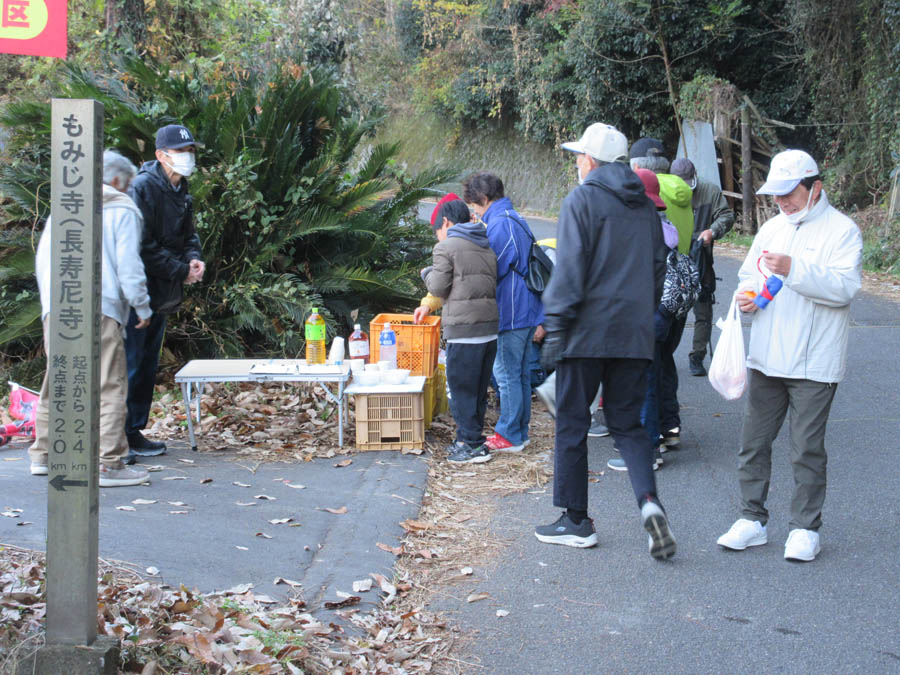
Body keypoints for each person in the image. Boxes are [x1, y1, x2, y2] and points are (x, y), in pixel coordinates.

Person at [534, 123, 675, 560]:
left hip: (586, 334)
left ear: (591, 161)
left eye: (579, 156)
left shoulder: (581, 200)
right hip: (634, 335)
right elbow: (658, 271)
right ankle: (649, 502)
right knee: (628, 425)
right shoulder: (645, 208)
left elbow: (569, 270)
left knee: (572, 423)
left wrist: (555, 325)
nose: (577, 162)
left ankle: (576, 520)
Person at [716, 149, 862, 562]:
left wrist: (793, 269)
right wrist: (748, 295)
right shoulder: (772, 228)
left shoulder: (843, 231)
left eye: (789, 192)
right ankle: (751, 519)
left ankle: (805, 528)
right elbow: (750, 274)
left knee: (806, 449)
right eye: (776, 194)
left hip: (816, 362)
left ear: (815, 188)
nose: (782, 201)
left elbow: (845, 288)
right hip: (767, 355)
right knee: (753, 443)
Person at [29, 150, 152, 487]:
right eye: (129, 184)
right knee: (109, 383)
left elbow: (42, 260)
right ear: (117, 181)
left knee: (58, 378)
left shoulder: (65, 206)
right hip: (101, 306)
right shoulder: (122, 209)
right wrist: (142, 306)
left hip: (57, 306)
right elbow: (129, 266)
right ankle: (109, 463)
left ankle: (43, 454)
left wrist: (49, 306)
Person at [125, 124, 205, 460]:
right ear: (160, 155)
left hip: (161, 293)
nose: (188, 157)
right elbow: (141, 246)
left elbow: (189, 235)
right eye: (180, 151)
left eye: (190, 151)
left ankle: (133, 431)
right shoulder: (142, 187)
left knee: (146, 364)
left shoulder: (181, 189)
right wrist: (180, 270)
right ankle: (116, 437)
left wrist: (194, 260)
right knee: (129, 364)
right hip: (135, 293)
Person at [462, 172, 543, 453]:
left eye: (474, 205)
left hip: (512, 310)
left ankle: (508, 433)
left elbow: (491, 267)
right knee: (519, 373)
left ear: (484, 199)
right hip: (527, 308)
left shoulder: (499, 223)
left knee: (506, 373)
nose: (474, 211)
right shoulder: (514, 217)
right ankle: (519, 432)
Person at [606, 168, 678, 474]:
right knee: (657, 374)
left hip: (644, 314)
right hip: (665, 312)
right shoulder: (665, 226)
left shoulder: (640, 230)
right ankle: (663, 434)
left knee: (642, 382)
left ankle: (646, 451)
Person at [420, 199, 498, 464]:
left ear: (445, 222)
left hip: (464, 330)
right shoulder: (484, 244)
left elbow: (438, 287)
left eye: (437, 230)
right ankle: (470, 439)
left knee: (461, 390)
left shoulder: (446, 247)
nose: (438, 236)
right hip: (489, 329)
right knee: (477, 391)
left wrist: (427, 273)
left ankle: (471, 446)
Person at [629, 138, 694, 451]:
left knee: (647, 374)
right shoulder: (675, 208)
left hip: (652, 305)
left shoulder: (643, 228)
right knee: (664, 364)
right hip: (675, 302)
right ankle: (670, 426)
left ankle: (650, 442)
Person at [670, 157, 735, 376]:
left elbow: (726, 215)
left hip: (702, 260)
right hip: (673, 262)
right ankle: (663, 354)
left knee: (703, 311)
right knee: (671, 312)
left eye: (689, 183)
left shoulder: (710, 191)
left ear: (695, 175)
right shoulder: (663, 192)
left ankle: (697, 356)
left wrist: (712, 231)